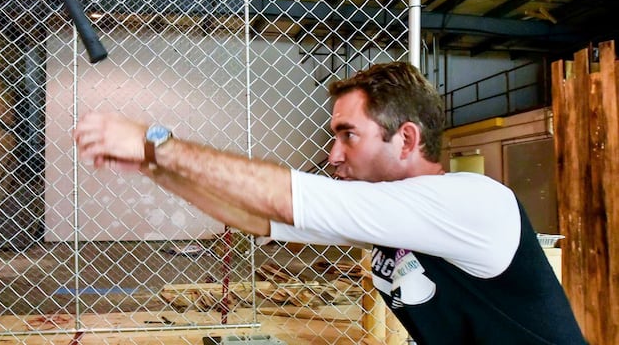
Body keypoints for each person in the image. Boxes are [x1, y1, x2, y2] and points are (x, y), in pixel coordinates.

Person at [73, 61, 585, 344]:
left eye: (348, 135)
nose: (333, 153)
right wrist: (153, 166)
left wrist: (155, 140)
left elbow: (281, 191)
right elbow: (257, 215)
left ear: (406, 140)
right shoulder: (383, 210)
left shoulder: (469, 201)